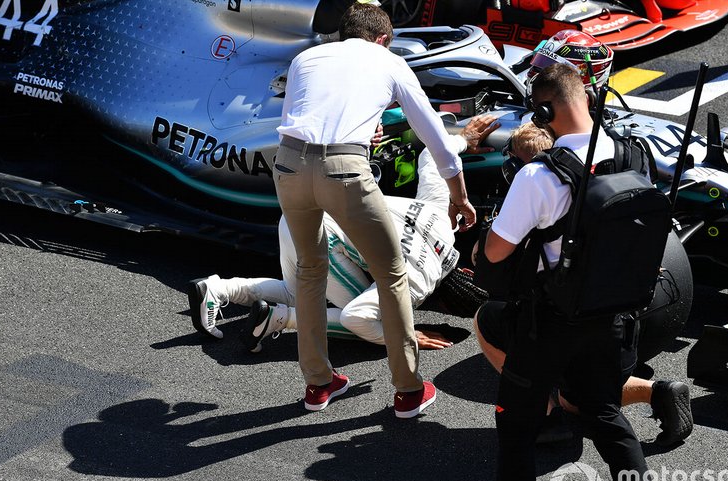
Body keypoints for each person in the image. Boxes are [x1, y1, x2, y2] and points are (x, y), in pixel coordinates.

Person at [475, 63, 675, 481]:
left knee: (518, 430)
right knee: (605, 413)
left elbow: (496, 252)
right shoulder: (632, 155)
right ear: (586, 98)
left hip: (549, 324)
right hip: (614, 316)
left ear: (543, 111)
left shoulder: (538, 177)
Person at [272, 2, 476, 418]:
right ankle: (408, 389)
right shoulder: (390, 61)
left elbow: (299, 115)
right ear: (383, 38)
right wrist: (458, 195)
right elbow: (435, 137)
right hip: (345, 170)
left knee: (311, 271)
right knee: (392, 273)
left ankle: (318, 384)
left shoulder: (305, 57)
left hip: (288, 164)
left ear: (345, 31)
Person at [189, 115, 497, 358]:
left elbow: (433, 158)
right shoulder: (418, 285)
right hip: (320, 233)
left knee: (303, 292)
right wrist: (403, 335)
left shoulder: (441, 220)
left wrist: (463, 139)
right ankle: (279, 318)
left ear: (467, 271)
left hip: (300, 212)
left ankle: (218, 290)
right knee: (367, 322)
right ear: (444, 308)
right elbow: (355, 318)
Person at [477, 121, 693, 448]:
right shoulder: (616, 176)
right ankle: (658, 393)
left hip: (584, 315)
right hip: (651, 303)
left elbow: (493, 259)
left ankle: (544, 416)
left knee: (489, 320)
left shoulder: (539, 187)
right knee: (582, 385)